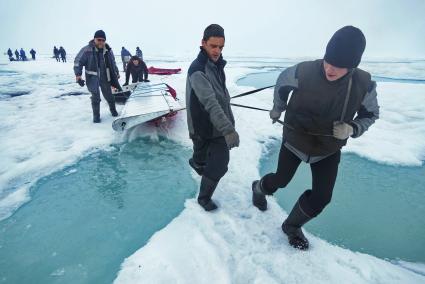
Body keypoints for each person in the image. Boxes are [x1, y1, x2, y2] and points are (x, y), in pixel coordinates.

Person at [251, 26, 379, 250]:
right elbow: (282, 85)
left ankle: (291, 226)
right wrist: (277, 108)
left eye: (339, 67)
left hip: (328, 148)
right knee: (281, 180)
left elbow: (371, 114)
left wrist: (352, 127)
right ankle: (258, 188)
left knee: (322, 197)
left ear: (352, 66)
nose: (330, 69)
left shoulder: (363, 84)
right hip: (295, 139)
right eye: (328, 61)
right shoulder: (302, 71)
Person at [186, 24, 240, 211]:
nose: (217, 51)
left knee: (218, 164)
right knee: (203, 159)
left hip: (215, 126)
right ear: (203, 43)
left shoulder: (216, 65)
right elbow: (210, 103)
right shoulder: (198, 69)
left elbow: (219, 94)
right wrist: (229, 130)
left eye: (221, 47)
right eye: (213, 46)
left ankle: (199, 165)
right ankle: (203, 198)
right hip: (202, 126)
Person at [74, 30, 121, 123]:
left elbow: (113, 62)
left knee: (109, 95)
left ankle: (113, 111)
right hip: (92, 78)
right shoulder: (87, 50)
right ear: (94, 39)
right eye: (99, 39)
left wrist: (116, 72)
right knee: (95, 97)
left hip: (105, 76)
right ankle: (96, 116)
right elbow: (78, 61)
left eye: (103, 40)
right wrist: (78, 75)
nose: (101, 42)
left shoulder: (108, 50)